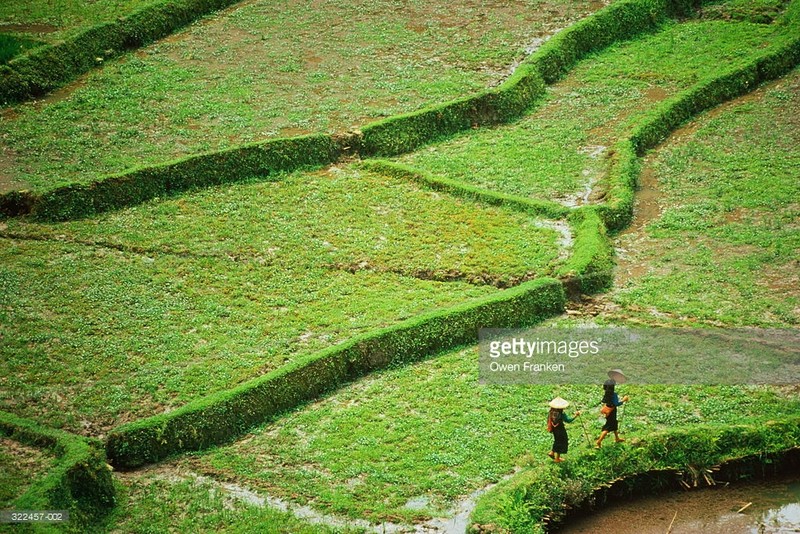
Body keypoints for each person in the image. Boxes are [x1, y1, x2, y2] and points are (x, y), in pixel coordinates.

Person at [595, 370, 629, 448]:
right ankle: (599, 441)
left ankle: (617, 438)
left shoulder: (607, 393)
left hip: (607, 408)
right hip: (612, 410)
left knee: (613, 424)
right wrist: (624, 400)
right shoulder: (612, 395)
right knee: (608, 427)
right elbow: (616, 404)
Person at [547, 397, 581, 462]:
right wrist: (576, 415)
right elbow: (568, 420)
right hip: (560, 429)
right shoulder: (561, 413)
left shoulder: (551, 411)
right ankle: (557, 458)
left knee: (557, 440)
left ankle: (552, 452)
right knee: (562, 441)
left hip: (554, 429)